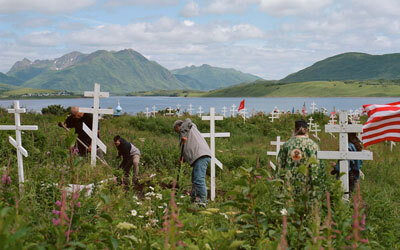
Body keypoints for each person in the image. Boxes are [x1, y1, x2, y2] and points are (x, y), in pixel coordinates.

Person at [277, 120, 324, 191]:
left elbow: (280, 166)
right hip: (307, 186)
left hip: (289, 186)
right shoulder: (313, 145)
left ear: (294, 129)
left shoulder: (286, 145)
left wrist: (278, 187)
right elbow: (318, 167)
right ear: (307, 130)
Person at [173, 118, 211, 206]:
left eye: (177, 131)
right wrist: (183, 158)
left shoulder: (187, 126)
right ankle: (193, 198)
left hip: (200, 155)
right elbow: (187, 147)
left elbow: (188, 120)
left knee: (199, 179)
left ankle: (203, 201)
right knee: (194, 179)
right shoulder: (187, 132)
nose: (178, 133)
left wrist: (182, 133)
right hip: (197, 156)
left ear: (179, 126)